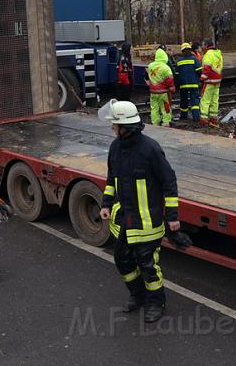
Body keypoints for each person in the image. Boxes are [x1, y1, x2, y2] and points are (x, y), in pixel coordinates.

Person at [98, 100, 179, 323]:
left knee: (148, 265)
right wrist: (106, 204)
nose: (113, 128)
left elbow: (169, 182)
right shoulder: (116, 147)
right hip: (128, 219)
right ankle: (138, 295)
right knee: (122, 259)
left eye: (115, 125)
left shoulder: (150, 149)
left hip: (148, 221)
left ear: (126, 127)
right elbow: (111, 179)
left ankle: (156, 303)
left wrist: (172, 217)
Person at [147, 46, 175, 127]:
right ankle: (166, 122)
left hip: (153, 92)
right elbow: (170, 80)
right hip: (163, 92)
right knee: (165, 107)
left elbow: (147, 77)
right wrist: (172, 89)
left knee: (154, 108)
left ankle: (155, 122)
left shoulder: (150, 66)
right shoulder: (166, 67)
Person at [174, 43, 202, 122]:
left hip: (183, 85)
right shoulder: (194, 59)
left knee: (183, 101)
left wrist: (176, 85)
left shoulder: (178, 61)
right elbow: (200, 71)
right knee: (195, 101)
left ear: (182, 51)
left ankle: (183, 116)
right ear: (190, 50)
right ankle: (196, 117)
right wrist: (199, 80)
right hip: (194, 84)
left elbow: (176, 75)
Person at [199, 39, 223, 128]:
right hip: (217, 81)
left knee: (205, 100)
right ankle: (213, 118)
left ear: (206, 45)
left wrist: (201, 79)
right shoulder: (218, 54)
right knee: (214, 100)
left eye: (203, 45)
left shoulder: (208, 55)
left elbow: (207, 68)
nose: (202, 47)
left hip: (209, 81)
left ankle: (204, 119)